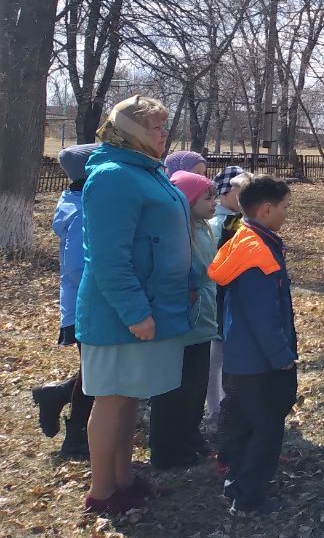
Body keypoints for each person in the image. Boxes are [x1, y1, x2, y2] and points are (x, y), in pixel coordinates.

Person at [76, 96, 195, 515]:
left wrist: (189, 283)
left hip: (152, 305)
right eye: (156, 128)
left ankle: (124, 479)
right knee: (112, 397)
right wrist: (134, 312)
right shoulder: (113, 176)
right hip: (119, 313)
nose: (164, 134)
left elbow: (169, 237)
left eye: (165, 126)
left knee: (129, 397)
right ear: (132, 132)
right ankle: (103, 492)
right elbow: (107, 257)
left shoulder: (146, 171)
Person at [209, 176, 297, 514]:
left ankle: (237, 479)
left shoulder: (250, 239)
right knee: (267, 427)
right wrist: (281, 356)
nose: (286, 214)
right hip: (259, 360)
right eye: (285, 207)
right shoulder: (255, 251)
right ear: (266, 209)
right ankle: (249, 495)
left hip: (243, 356)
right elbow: (263, 314)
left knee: (247, 423)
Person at [148, 171, 219, 468]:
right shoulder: (178, 231)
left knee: (197, 382)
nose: (214, 202)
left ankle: (190, 434)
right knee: (176, 386)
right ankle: (167, 448)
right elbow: (196, 268)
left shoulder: (205, 228)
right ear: (189, 199)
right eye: (207, 197)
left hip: (204, 316)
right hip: (183, 317)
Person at [31, 143, 98, 459]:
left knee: (93, 370)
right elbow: (76, 267)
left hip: (89, 303)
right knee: (95, 375)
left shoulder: (80, 203)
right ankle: (75, 441)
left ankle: (56, 394)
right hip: (89, 305)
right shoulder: (83, 210)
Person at [207, 166, 249, 440]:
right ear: (223, 193)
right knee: (216, 357)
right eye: (239, 189)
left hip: (239, 299)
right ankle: (215, 408)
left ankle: (232, 404)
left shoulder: (241, 222)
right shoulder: (216, 225)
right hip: (218, 300)